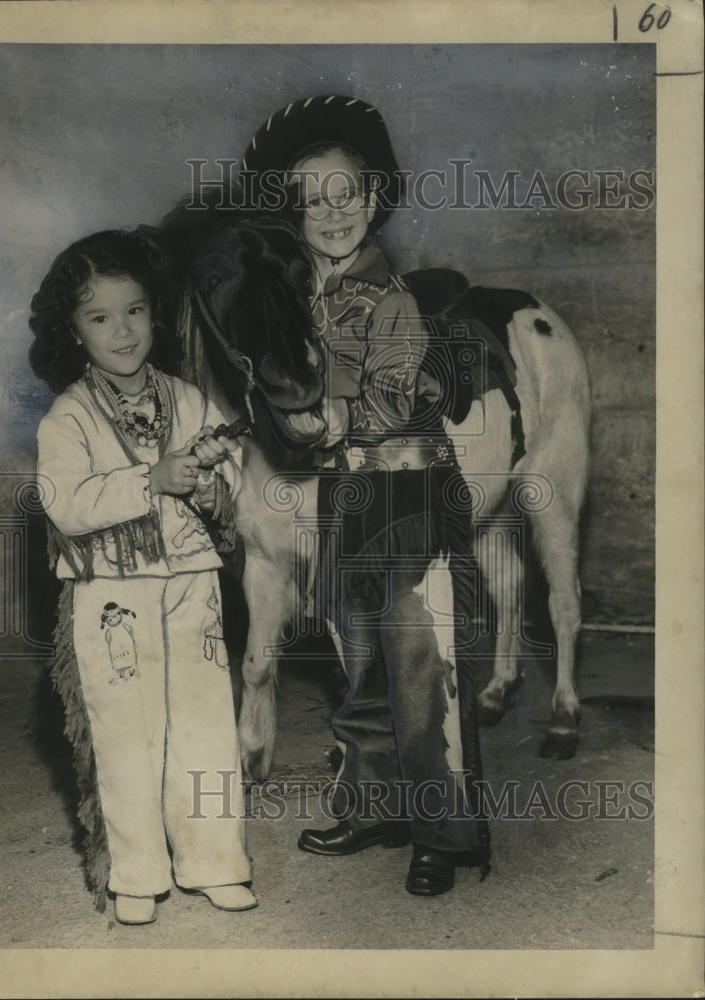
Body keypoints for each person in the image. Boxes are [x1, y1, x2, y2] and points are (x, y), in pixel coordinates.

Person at [241, 95, 489, 896]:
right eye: (312, 200)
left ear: (374, 199)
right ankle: (375, 802)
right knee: (360, 664)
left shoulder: (392, 301)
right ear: (293, 215)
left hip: (409, 497)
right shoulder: (294, 302)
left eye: (345, 194)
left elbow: (393, 397)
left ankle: (443, 832)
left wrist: (328, 414)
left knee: (422, 666)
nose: (331, 212)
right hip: (346, 503)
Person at [29, 229, 256, 924]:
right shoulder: (67, 417)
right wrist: (151, 479)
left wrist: (218, 483)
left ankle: (214, 862)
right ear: (73, 331)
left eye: (134, 311)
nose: (122, 331)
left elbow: (235, 483)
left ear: (156, 315)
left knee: (204, 724)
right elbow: (65, 506)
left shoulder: (188, 398)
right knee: (126, 731)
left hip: (191, 582)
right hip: (111, 597)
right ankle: (135, 874)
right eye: (99, 318)